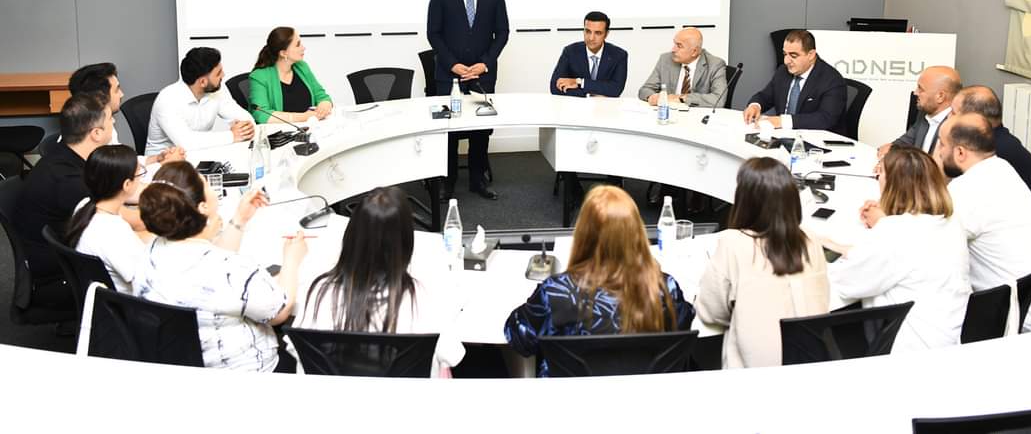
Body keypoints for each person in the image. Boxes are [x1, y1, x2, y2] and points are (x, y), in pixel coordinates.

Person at [133, 161, 307, 371]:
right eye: (207, 184)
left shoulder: (151, 251)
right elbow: (279, 313)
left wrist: (239, 220)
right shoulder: (232, 269)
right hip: (249, 374)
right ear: (203, 207)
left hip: (184, 368)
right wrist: (292, 259)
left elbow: (211, 263)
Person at [504, 185, 694, 376]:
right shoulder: (663, 287)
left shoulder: (556, 291)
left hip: (569, 394)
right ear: (636, 232)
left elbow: (520, 339)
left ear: (583, 233)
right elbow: (682, 327)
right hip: (644, 393)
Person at [292, 187, 464, 375]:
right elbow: (452, 355)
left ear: (351, 236)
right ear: (407, 241)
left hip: (336, 393)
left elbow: (298, 351)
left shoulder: (320, 292)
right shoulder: (424, 295)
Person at [937, 113, 1031, 331]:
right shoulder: (1002, 168)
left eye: (942, 144)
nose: (939, 151)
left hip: (1028, 321)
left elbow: (927, 245)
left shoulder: (967, 189)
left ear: (960, 152)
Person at [828, 147, 970, 351]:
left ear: (894, 185)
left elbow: (844, 281)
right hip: (947, 339)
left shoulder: (895, 232)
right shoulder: (951, 222)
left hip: (906, 348)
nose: (878, 179)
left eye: (881, 173)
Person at [695, 157, 829, 368]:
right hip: (811, 367)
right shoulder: (810, 240)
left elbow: (710, 312)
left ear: (745, 201)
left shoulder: (733, 243)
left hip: (754, 375)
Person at [952, 85, 1031, 265]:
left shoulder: (993, 154)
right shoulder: (1001, 141)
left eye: (953, 113)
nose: (948, 118)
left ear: (974, 120)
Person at [426, 0, 509, 200]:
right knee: (449, 130)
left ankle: (477, 180)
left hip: (482, 73)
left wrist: (485, 63)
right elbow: (433, 33)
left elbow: (502, 32)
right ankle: (447, 182)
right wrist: (452, 64)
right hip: (449, 73)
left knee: (480, 130)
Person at [15, 93, 115, 279]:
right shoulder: (68, 180)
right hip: (58, 271)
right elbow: (112, 218)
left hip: (57, 249)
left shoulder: (65, 154)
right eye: (110, 119)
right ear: (96, 133)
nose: (114, 122)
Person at [64, 145, 147, 293]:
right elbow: (146, 279)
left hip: (100, 294)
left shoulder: (84, 205)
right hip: (129, 300)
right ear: (127, 185)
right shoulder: (113, 231)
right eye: (139, 174)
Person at [65, 62, 184, 165]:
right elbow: (116, 174)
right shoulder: (89, 141)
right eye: (117, 89)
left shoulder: (101, 122)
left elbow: (120, 162)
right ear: (99, 98)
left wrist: (156, 159)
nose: (122, 94)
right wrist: (163, 165)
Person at [145, 47, 255, 156]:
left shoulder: (216, 89)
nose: (223, 75)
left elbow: (244, 117)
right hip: (163, 160)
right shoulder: (168, 100)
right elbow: (187, 142)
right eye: (218, 73)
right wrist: (232, 135)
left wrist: (245, 128)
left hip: (199, 153)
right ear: (202, 82)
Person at [743, 29, 847, 133]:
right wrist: (755, 106)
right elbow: (766, 96)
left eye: (793, 56)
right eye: (785, 54)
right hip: (782, 135)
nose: (786, 61)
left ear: (811, 55)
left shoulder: (832, 80)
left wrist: (782, 121)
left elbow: (825, 118)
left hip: (817, 138)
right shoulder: (783, 71)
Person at [248, 26, 333, 124]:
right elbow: (261, 114)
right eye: (298, 45)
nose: (303, 48)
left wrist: (324, 105)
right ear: (283, 53)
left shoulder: (302, 67)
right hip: (283, 131)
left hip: (312, 127)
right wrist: (304, 117)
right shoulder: (259, 76)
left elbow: (322, 95)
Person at [877, 65, 961, 158]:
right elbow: (903, 143)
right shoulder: (924, 113)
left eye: (921, 89)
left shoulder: (958, 128)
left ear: (940, 96)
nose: (915, 93)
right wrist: (891, 149)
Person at [637, 27, 728, 108]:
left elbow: (719, 99)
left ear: (694, 52)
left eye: (679, 46)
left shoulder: (715, 64)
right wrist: (652, 97)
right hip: (670, 113)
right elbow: (645, 90)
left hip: (697, 115)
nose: (673, 49)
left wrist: (681, 98)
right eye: (674, 44)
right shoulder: (665, 59)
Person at [550, 11, 628, 98]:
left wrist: (580, 82)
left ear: (606, 34)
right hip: (576, 105)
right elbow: (554, 86)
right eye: (588, 31)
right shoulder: (570, 51)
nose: (591, 38)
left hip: (606, 105)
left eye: (598, 33)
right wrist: (589, 94)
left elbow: (616, 89)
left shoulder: (619, 55)